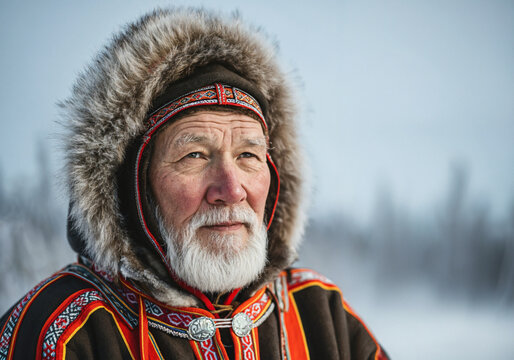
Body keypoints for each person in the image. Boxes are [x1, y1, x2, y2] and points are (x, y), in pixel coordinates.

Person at [0, 7, 388, 360]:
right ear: (132, 186)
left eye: (248, 156)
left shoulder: (318, 312)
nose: (231, 189)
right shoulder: (63, 330)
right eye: (195, 156)